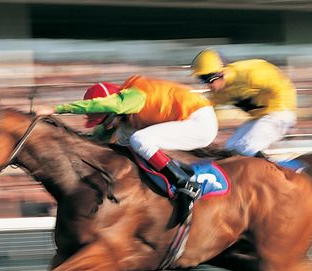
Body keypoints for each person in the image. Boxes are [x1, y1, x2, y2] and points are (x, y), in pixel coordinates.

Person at [41, 75, 219, 220]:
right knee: (125, 144)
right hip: (188, 120)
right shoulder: (125, 116)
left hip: (200, 122)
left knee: (140, 139)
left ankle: (185, 184)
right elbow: (98, 144)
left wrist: (56, 109)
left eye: (106, 120)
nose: (108, 126)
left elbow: (107, 105)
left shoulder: (132, 97)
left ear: (113, 108)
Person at [190, 48, 297, 157]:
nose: (207, 85)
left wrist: (283, 118)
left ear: (221, 73)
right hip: (259, 119)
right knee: (229, 150)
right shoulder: (218, 94)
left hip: (280, 113)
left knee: (244, 149)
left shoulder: (251, 72)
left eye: (208, 79)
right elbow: (205, 110)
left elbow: (282, 87)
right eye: (202, 80)